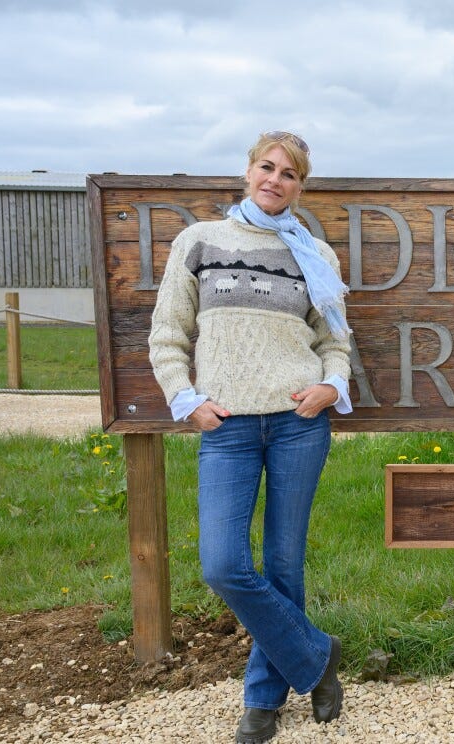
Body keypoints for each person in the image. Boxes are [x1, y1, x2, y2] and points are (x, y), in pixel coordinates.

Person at [149, 131, 353, 744]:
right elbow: (168, 332)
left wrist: (331, 386)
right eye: (267, 167)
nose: (275, 179)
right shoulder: (201, 242)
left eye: (289, 174)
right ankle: (316, 657)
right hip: (229, 427)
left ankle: (262, 702)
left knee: (285, 565)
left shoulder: (315, 254)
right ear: (247, 171)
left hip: (298, 422)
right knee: (223, 564)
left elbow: (334, 340)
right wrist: (186, 401)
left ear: (301, 186)